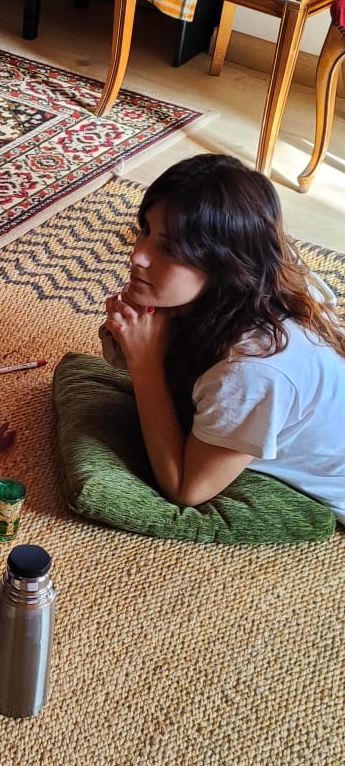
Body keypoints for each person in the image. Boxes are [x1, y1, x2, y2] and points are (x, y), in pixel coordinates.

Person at [100, 155, 345, 521]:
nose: (138, 255)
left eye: (169, 248)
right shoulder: (255, 277)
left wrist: (145, 363)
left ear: (223, 262)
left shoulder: (253, 369)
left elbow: (186, 489)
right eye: (145, 230)